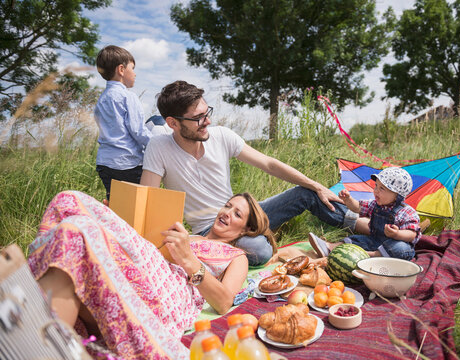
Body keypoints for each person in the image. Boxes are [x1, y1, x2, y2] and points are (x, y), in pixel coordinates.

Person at [140, 80, 364, 266]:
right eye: (198, 117)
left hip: (240, 215)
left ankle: (364, 226)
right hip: (211, 229)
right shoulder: (159, 147)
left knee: (307, 192)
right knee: (259, 251)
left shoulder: (221, 136)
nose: (207, 120)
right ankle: (246, 238)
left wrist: (318, 186)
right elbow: (146, 197)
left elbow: (269, 164)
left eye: (206, 112)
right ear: (173, 123)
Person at [28, 190, 272, 359]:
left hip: (171, 292)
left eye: (237, 214)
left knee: (77, 228)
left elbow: (225, 301)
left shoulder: (235, 255)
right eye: (228, 205)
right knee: (67, 204)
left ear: (247, 229)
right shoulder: (189, 234)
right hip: (144, 270)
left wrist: (189, 261)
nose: (227, 212)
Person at [309, 167, 421, 261]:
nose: (376, 191)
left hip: (393, 248)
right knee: (356, 239)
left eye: (382, 189)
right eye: (376, 186)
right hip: (374, 241)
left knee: (400, 248)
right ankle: (330, 247)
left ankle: (368, 256)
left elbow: (412, 234)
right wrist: (348, 200)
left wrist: (397, 234)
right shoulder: (375, 205)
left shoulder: (407, 212)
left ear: (397, 196)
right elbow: (357, 207)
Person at [94, 45, 152, 200]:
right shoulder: (128, 97)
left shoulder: (102, 99)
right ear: (121, 70)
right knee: (136, 208)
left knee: (116, 206)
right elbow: (137, 131)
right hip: (127, 163)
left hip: (105, 163)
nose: (134, 74)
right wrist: (158, 142)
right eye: (132, 68)